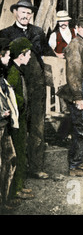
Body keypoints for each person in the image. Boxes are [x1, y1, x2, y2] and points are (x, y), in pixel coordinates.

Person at [0, 0, 53, 180]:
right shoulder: (5, 33)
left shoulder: (38, 32)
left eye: (29, 13)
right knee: (19, 128)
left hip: (37, 87)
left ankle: (36, 167)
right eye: (22, 12)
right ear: (15, 13)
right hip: (18, 88)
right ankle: (18, 174)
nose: (25, 16)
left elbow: (49, 55)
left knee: (38, 128)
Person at [59, 14, 83, 177]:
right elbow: (73, 73)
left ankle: (79, 162)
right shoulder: (76, 45)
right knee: (82, 126)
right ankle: (75, 165)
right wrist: (78, 97)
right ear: (77, 29)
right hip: (80, 87)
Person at [7, 37, 34, 201]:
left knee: (21, 150)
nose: (30, 57)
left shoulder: (17, 70)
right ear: (21, 55)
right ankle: (15, 189)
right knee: (18, 152)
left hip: (21, 117)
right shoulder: (13, 73)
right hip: (17, 120)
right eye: (28, 54)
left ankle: (19, 186)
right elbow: (11, 96)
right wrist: (21, 103)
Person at [0, 39, 20, 212]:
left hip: (4, 125)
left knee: (9, 159)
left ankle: (4, 200)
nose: (8, 60)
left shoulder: (2, 77)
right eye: (6, 56)